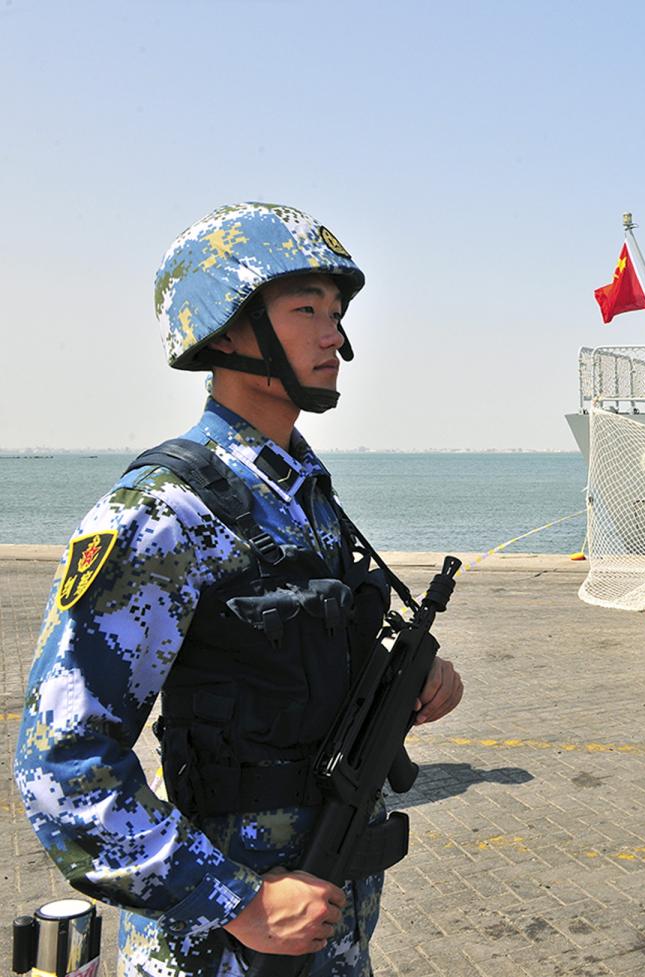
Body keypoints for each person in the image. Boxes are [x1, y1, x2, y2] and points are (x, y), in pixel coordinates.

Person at [12, 202, 465, 977]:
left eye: (336, 312)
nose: (336, 337)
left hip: (329, 935)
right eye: (305, 310)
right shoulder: (163, 512)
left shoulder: (301, 494)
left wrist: (412, 676)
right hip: (218, 951)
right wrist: (236, 900)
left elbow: (303, 660)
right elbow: (62, 768)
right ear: (226, 330)